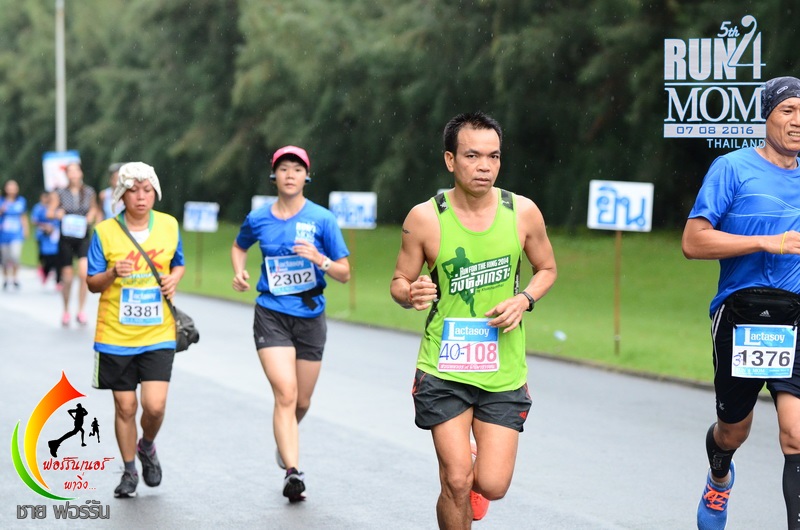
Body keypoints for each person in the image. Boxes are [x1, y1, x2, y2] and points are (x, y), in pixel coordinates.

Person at [390, 111, 557, 528]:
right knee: (456, 480)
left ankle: (471, 472)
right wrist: (410, 293)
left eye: (493, 156)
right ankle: (459, 475)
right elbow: (399, 281)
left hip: (503, 369)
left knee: (491, 484)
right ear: (450, 160)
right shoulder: (424, 218)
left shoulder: (523, 212)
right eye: (472, 156)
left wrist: (524, 299)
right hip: (442, 366)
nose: (484, 166)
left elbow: (547, 269)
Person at [683, 76, 800, 530]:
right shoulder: (732, 168)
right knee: (734, 430)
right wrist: (766, 242)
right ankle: (719, 477)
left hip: (796, 314)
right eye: (788, 110)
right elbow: (694, 241)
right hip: (741, 313)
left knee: (795, 435)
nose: (797, 121)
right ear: (766, 115)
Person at [231, 145, 350, 502]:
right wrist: (239, 271)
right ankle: (293, 472)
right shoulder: (258, 218)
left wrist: (319, 259)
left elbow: (344, 272)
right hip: (271, 313)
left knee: (302, 400)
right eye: (284, 168)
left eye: (297, 169)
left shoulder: (322, 219)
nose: (290, 175)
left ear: (306, 177)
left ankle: (285, 438)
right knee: (285, 393)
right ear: (274, 175)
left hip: (310, 314)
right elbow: (239, 246)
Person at [86, 161, 185, 498]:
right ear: (121, 195)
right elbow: (92, 283)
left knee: (154, 406)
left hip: (158, 332)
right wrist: (113, 273)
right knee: (126, 407)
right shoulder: (104, 232)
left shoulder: (169, 225)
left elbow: (179, 263)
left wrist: (174, 279)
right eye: (133, 191)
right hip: (116, 334)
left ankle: (147, 445)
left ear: (155, 193)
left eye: (147, 190)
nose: (141, 197)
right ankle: (129, 470)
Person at [48, 162, 100, 326]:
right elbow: (50, 212)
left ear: (81, 172)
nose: (74, 174)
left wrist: (91, 216)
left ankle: (81, 310)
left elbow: (94, 209)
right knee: (68, 276)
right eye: (70, 171)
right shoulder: (60, 193)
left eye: (76, 170)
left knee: (84, 273)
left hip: (83, 236)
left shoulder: (89, 192)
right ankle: (66, 310)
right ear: (66, 174)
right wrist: (58, 214)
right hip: (66, 238)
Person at [0, 179, 29, 289]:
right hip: (3, 233)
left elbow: (23, 216)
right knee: (5, 258)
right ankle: (6, 278)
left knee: (15, 255)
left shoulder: (21, 201)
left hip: (16, 233)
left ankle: (15, 277)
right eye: (9, 187)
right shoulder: (2, 201)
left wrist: (26, 229)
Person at [30, 191, 62, 288]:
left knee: (58, 259)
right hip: (43, 236)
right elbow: (34, 220)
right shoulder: (40, 208)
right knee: (45, 258)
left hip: (57, 237)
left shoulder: (61, 209)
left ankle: (58, 281)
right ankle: (45, 271)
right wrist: (45, 226)